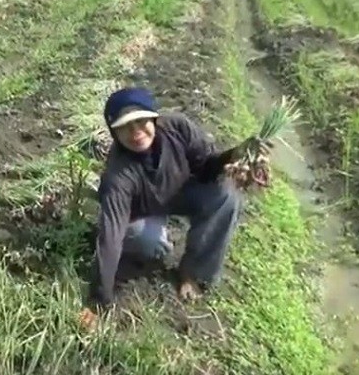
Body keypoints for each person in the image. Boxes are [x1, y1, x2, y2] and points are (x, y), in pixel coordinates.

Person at [86, 87, 270, 310]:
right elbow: (111, 236)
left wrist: (234, 155)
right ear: (114, 133)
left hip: (179, 191)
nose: (135, 132)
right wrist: (98, 299)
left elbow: (206, 168)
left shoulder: (177, 128)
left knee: (227, 196)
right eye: (124, 127)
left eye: (140, 121)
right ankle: (153, 234)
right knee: (150, 243)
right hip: (141, 210)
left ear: (154, 118)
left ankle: (194, 272)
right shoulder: (118, 175)